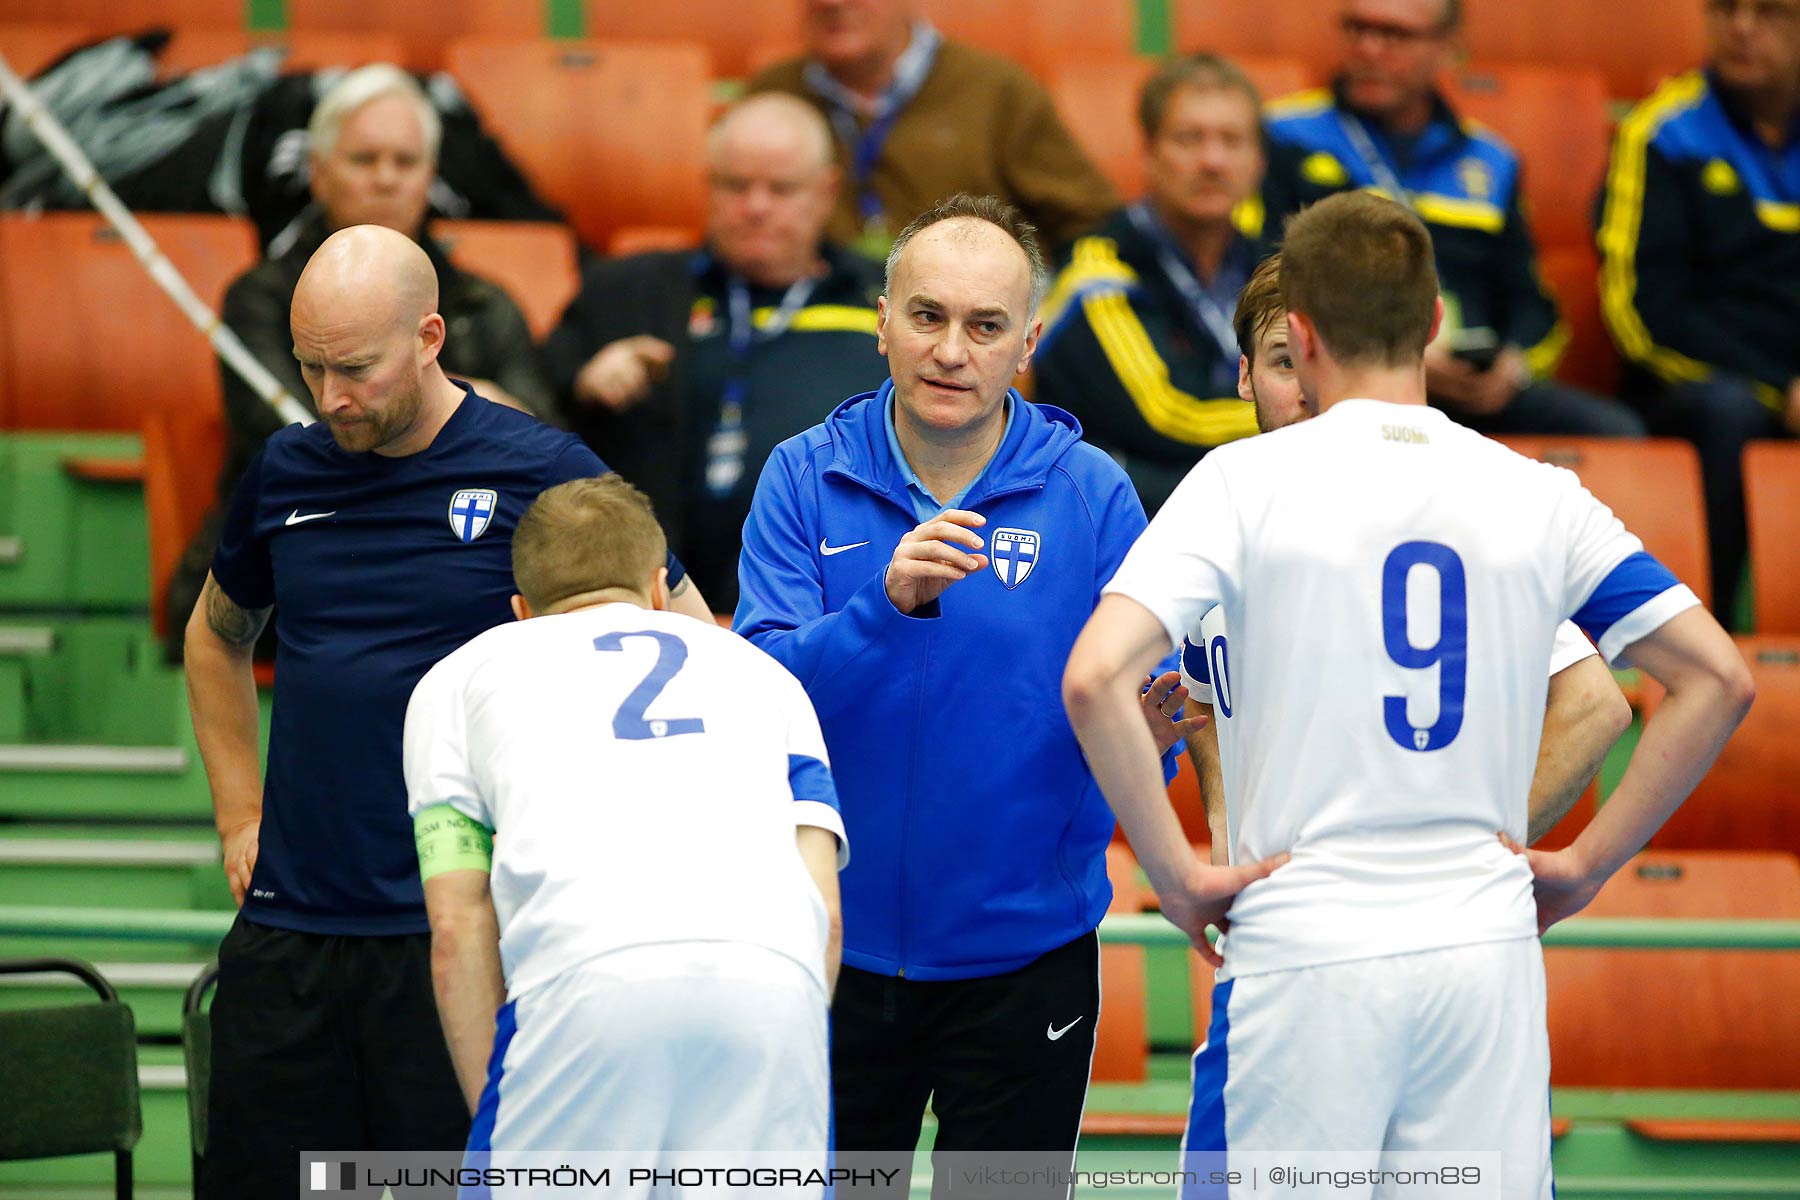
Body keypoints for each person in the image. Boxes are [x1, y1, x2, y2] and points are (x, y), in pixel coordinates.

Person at [1063, 191, 1753, 1197]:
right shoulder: (1537, 490)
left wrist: (1175, 877)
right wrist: (1589, 865)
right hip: (1482, 948)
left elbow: (1093, 677)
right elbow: (1719, 680)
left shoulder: (1240, 483)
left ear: (1299, 331)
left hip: (1306, 948)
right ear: (1434, 322)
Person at [184, 225, 711, 1200]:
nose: (330, 396)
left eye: (355, 368)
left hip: (463, 939)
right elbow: (216, 636)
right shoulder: (286, 470)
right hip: (290, 936)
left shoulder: (542, 469)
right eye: (309, 368)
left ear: (429, 337)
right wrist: (237, 813)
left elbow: (686, 641)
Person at [733, 194, 1188, 1179]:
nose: (951, 350)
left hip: (1028, 960)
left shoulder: (1092, 492)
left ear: (1026, 342)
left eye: (985, 327)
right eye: (928, 316)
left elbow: (1151, 719)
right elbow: (758, 702)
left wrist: (1166, 726)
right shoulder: (802, 478)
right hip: (829, 951)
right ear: (882, 322)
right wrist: (884, 610)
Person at [405, 474, 844, 1175]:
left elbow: (456, 922)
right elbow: (824, 908)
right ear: (659, 590)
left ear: (522, 609)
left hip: (581, 985)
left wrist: (501, 1115)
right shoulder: (767, 678)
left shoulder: (455, 682)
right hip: (773, 990)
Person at [1181, 253, 1630, 862]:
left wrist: (1480, 857)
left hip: (1411, 927)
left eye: (1329, 361)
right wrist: (1222, 828)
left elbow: (1594, 706)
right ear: (1244, 375)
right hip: (1262, 938)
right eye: (1286, 362)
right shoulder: (1213, 514)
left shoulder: (1451, 517)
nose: (1311, 390)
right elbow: (1205, 691)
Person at [167, 64, 555, 656]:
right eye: (364, 159)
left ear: (430, 177)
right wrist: (463, 409)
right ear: (318, 174)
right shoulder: (264, 300)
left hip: (466, 581)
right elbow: (310, 432)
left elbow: (542, 440)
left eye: (404, 162)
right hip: (301, 570)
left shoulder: (484, 303)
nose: (386, 179)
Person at [544, 94, 886, 610]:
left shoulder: (881, 301)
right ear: (708, 185)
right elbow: (532, 414)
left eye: (781, 188)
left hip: (828, 601)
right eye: (735, 185)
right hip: (643, 599)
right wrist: (584, 383)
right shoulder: (629, 290)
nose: (756, 206)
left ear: (826, 191)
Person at [1260, 0, 1645, 439]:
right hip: (1345, 382)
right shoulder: (1284, 138)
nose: (1368, 49)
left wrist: (1510, 369)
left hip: (1470, 385)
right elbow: (1267, 282)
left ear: (1449, 46)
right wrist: (1394, 357)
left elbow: (1531, 305)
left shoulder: (1490, 160)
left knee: (1614, 430)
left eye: (1394, 35)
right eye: (1356, 29)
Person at [1596, 0, 1800, 621]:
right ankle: (1707, 638)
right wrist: (1780, 388)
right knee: (1727, 411)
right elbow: (1643, 313)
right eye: (1725, 7)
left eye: (1769, 12)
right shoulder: (1664, 132)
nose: (1740, 27)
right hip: (1694, 381)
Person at [1036, 54, 1271, 515]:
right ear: (1149, 151)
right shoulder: (1099, 269)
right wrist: (1312, 413)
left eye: (1232, 140)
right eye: (1189, 139)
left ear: (1259, 159)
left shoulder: (1271, 262)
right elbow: (1169, 413)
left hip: (1224, 496)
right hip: (1114, 512)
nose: (1212, 161)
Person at [746, 0, 1117, 258]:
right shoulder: (773, 94)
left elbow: (1091, 224)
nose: (831, 2)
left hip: (967, 331)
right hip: (823, 324)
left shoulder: (997, 90)